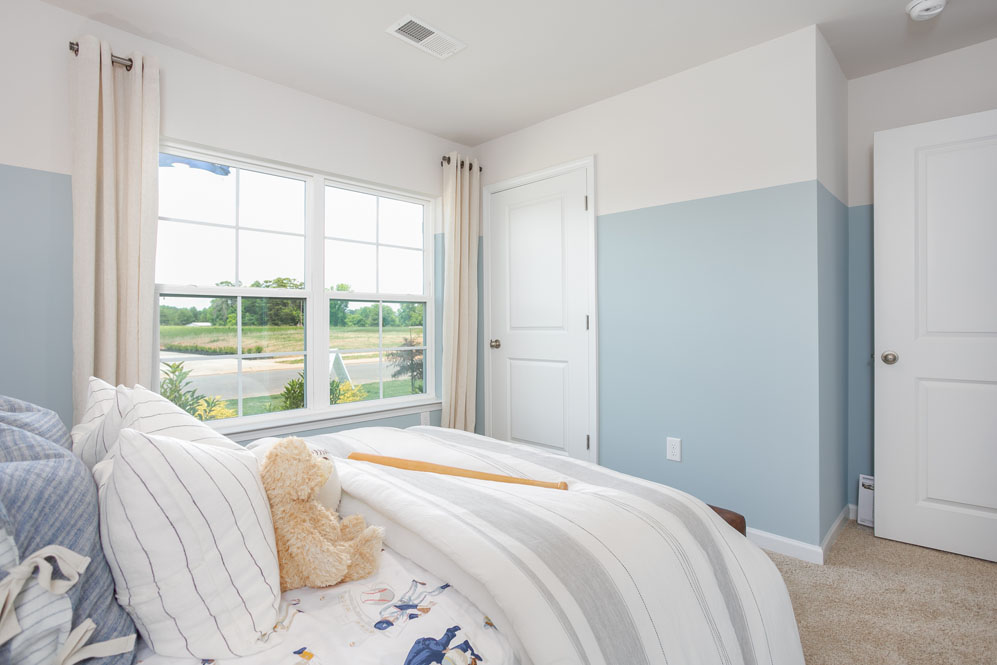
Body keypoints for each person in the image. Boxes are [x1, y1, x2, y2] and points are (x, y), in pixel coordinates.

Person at [373, 580, 451, 631]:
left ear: (382, 619)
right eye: (390, 623)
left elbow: (405, 607)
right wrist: (422, 614)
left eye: (388, 620)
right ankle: (443, 587)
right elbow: (410, 617)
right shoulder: (397, 621)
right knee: (424, 593)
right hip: (412, 603)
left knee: (410, 592)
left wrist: (424, 606)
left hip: (403, 601)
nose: (392, 620)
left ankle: (415, 582)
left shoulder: (384, 612)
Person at [403, 626, 483, 665]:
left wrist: (442, 650)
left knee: (441, 647)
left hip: (425, 645)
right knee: (446, 661)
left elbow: (426, 654)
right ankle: (465, 645)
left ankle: (450, 632)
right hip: (431, 656)